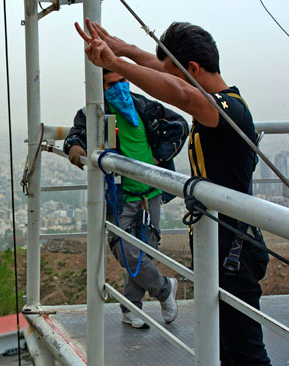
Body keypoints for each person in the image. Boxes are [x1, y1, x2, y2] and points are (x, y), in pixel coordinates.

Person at [75, 19, 270, 365]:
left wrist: (115, 64)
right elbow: (169, 76)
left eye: (175, 73)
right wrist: (123, 49)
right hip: (220, 247)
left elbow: (179, 91)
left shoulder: (227, 109)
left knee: (246, 354)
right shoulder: (220, 103)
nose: (166, 82)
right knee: (225, 348)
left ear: (193, 68)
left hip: (235, 252)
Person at [63, 68, 181, 329]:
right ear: (101, 87)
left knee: (146, 248)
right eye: (111, 83)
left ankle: (130, 308)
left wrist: (160, 155)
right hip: (121, 194)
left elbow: (178, 125)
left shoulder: (142, 106)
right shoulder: (93, 113)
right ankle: (164, 289)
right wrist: (75, 147)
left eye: (122, 81)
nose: (118, 87)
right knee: (125, 249)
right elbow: (76, 134)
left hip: (151, 191)